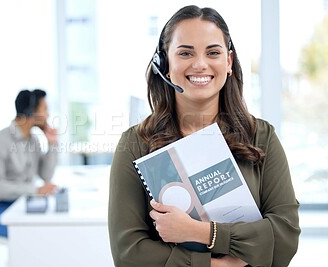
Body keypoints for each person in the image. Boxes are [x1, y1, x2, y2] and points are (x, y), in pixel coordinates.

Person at [108, 5, 300, 267]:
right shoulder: (135, 143)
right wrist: (217, 265)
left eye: (213, 52)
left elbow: (285, 238)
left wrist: (202, 232)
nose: (200, 64)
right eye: (185, 53)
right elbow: (128, 253)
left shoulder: (261, 137)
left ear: (228, 62)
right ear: (165, 65)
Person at [0, 89, 59, 237]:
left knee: (52, 227)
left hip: (20, 204)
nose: (47, 115)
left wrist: (52, 144)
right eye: (45, 109)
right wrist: (34, 190)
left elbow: (46, 175)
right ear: (30, 111)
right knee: (35, 235)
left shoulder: (33, 140)